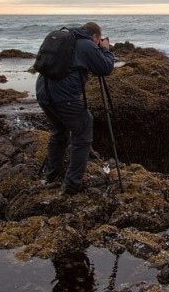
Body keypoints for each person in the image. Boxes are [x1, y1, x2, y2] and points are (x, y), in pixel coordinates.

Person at [36, 21, 114, 195]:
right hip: (63, 97)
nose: (98, 42)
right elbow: (104, 67)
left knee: (59, 130)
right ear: (95, 37)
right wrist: (105, 49)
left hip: (43, 93)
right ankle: (72, 185)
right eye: (99, 40)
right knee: (84, 129)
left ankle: (51, 176)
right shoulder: (87, 44)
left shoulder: (64, 39)